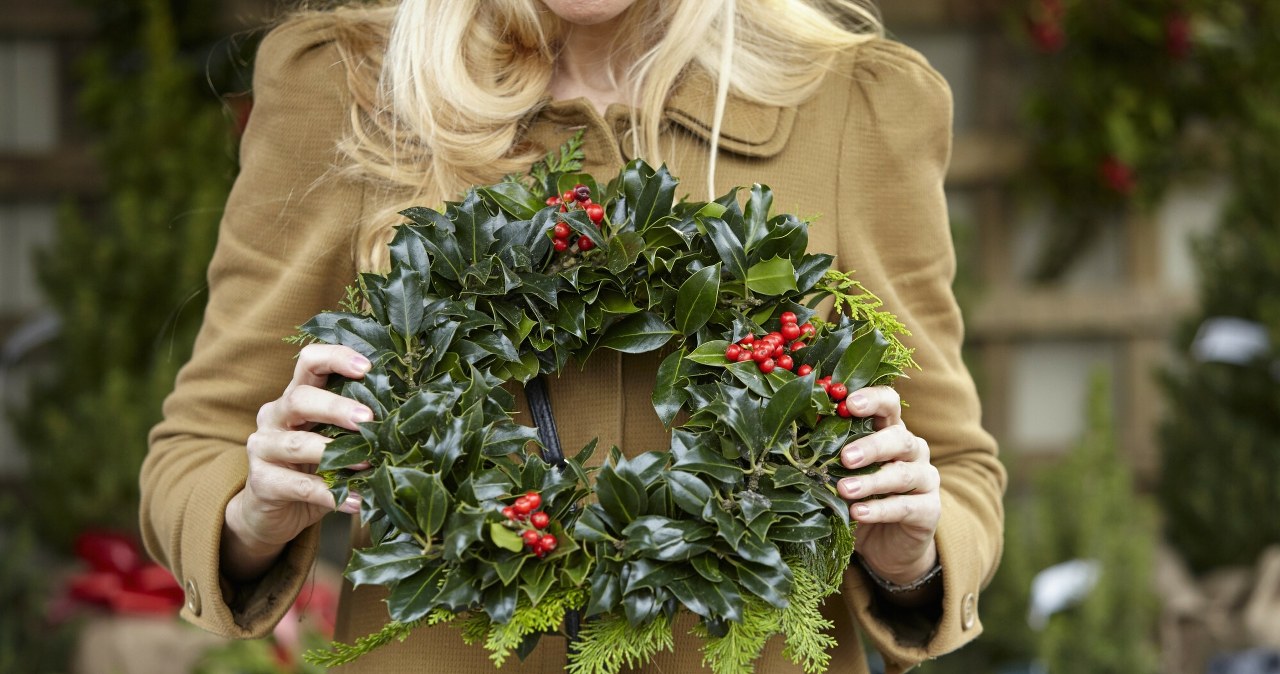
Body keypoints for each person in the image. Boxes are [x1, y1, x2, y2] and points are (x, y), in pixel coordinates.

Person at [139, 1, 1005, 672]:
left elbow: (957, 467)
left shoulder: (852, 104)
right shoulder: (350, 86)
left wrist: (912, 554)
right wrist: (253, 511)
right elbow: (200, 443)